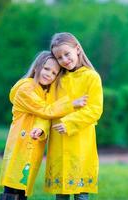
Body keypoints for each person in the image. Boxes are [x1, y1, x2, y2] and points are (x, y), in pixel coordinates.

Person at [0, 51, 88, 200]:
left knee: (22, 188)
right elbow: (46, 110)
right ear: (36, 67)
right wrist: (71, 104)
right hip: (19, 148)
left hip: (31, 148)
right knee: (13, 188)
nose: (49, 74)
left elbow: (45, 117)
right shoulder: (25, 89)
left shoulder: (43, 92)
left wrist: (40, 130)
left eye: (54, 73)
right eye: (46, 69)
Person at [38, 32, 103, 200]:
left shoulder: (91, 77)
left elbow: (95, 109)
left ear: (78, 49)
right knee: (61, 193)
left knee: (81, 193)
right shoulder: (57, 79)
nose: (65, 60)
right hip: (58, 143)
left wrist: (69, 123)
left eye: (67, 54)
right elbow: (47, 108)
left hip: (82, 142)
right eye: (59, 58)